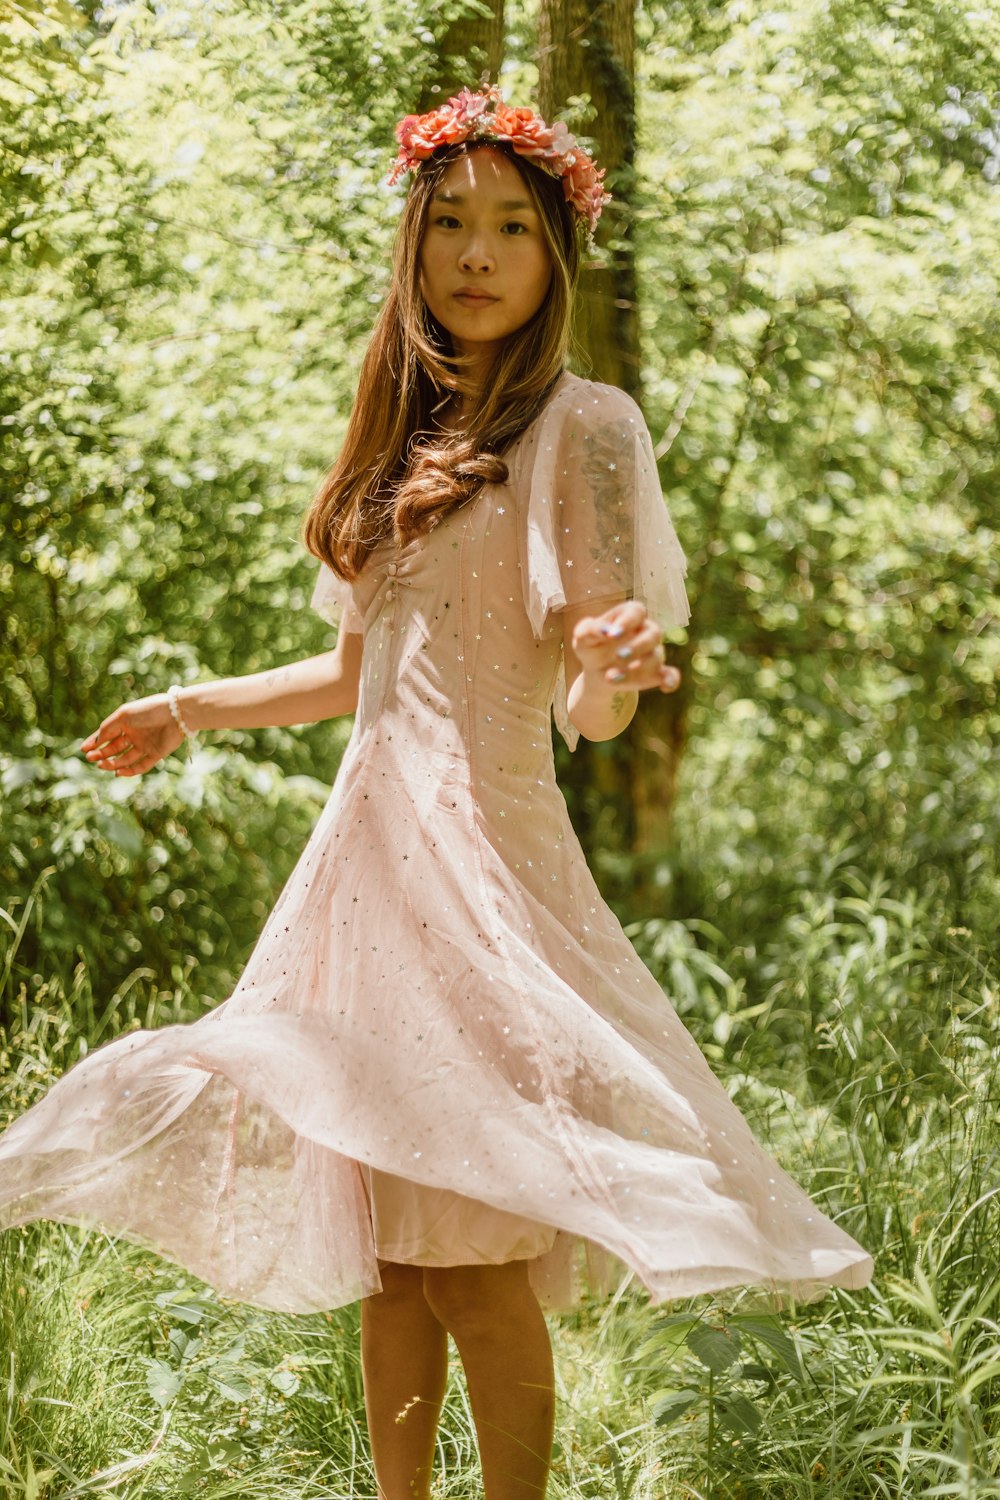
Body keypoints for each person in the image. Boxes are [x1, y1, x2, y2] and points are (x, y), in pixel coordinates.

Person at [0, 85, 873, 1500]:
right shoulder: (398, 431)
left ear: (554, 259)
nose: (476, 252)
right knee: (396, 1274)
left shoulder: (584, 427)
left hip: (486, 867)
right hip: (366, 868)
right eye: (450, 222)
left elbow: (587, 698)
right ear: (413, 245)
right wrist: (183, 708)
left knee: (474, 1265)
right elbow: (359, 669)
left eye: (512, 228)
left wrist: (616, 663)